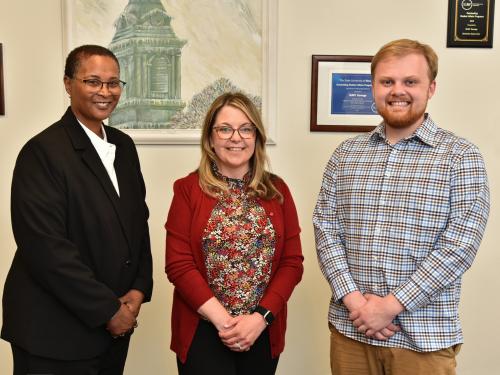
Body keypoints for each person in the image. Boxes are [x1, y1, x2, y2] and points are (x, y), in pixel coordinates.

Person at [313, 39, 490, 375]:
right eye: (387, 81)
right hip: (351, 332)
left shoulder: (461, 158)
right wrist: (355, 302)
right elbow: (326, 231)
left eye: (410, 81)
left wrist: (391, 306)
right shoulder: (345, 155)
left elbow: (459, 248)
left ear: (431, 87)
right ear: (374, 87)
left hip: (423, 339)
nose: (398, 91)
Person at [2, 45, 153, 375]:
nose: (105, 91)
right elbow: (45, 248)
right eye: (93, 81)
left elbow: (138, 224)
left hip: (114, 327)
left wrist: (139, 289)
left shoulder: (123, 146)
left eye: (113, 83)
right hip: (53, 331)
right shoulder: (42, 152)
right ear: (68, 84)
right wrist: (108, 311)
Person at [165, 92, 303, 374]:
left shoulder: (278, 191)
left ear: (257, 137)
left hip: (261, 330)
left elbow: (292, 263)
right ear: (210, 138)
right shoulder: (187, 189)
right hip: (203, 330)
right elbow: (178, 265)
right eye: (225, 129)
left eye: (246, 129)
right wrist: (225, 323)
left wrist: (259, 319)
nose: (235, 138)